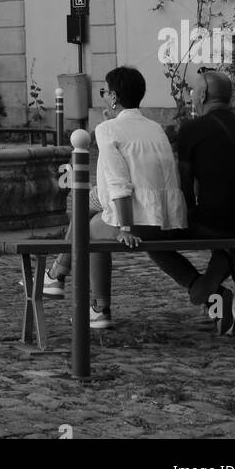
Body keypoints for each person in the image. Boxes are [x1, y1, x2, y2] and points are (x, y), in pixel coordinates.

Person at [44, 66, 187, 329]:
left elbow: (120, 183)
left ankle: (95, 304)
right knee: (86, 202)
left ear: (112, 97)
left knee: (89, 231)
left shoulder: (107, 129)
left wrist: (125, 227)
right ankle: (57, 274)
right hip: (167, 219)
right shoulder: (156, 128)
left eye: (104, 93)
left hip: (138, 219)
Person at [148, 68, 235, 331]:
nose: (192, 97)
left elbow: (185, 186)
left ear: (202, 95)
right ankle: (220, 266)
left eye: (193, 92)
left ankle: (198, 286)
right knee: (225, 209)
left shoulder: (193, 129)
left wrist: (185, 213)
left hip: (215, 223)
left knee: (149, 238)